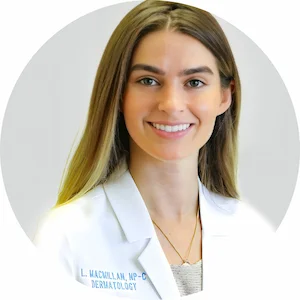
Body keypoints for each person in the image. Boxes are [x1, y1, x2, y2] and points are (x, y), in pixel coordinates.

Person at [33, 0, 272, 299]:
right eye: (148, 80)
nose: (171, 104)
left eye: (194, 82)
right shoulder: (66, 238)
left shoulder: (255, 236)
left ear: (224, 96)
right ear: (119, 94)